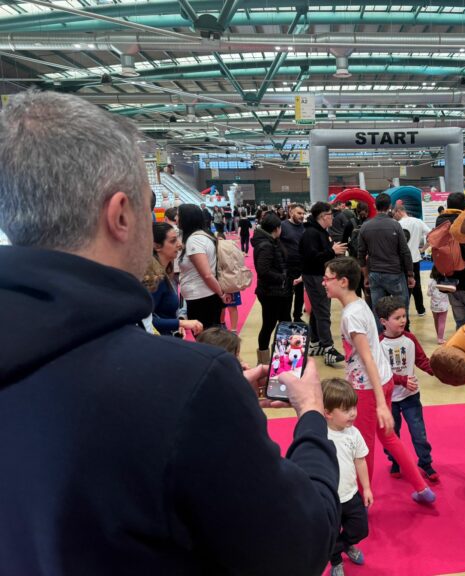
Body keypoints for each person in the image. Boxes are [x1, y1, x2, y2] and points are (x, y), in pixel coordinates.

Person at [0, 90, 339, 574]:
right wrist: (309, 415)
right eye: (148, 207)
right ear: (120, 214)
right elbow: (299, 546)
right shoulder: (186, 382)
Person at [323, 257, 436, 504]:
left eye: (327, 278)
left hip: (366, 388)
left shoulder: (351, 315)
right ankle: (421, 488)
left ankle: (361, 502)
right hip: (381, 382)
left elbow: (367, 358)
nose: (324, 283)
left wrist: (381, 403)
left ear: (343, 282)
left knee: (364, 445)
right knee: (388, 438)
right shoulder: (359, 305)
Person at [375, 296, 439, 483]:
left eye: (404, 316)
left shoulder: (410, 339)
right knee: (392, 434)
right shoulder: (378, 345)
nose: (403, 320)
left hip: (411, 396)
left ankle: (425, 463)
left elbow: (421, 360)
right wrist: (402, 380)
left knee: (419, 432)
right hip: (388, 399)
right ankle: (395, 460)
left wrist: (436, 371)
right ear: (384, 322)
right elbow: (380, 373)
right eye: (397, 317)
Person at [322, 378, 372, 576]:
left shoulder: (354, 434)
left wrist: (366, 488)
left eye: (354, 407)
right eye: (346, 409)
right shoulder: (321, 435)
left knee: (361, 529)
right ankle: (336, 561)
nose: (353, 413)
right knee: (331, 532)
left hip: (351, 495)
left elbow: (360, 461)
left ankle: (343, 546)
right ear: (328, 413)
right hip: (330, 499)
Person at [357, 193, 414, 331]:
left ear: (375, 206)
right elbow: (405, 252)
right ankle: (401, 334)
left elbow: (361, 254)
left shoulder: (365, 227)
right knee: (401, 306)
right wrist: (410, 274)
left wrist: (365, 276)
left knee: (378, 310)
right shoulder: (395, 226)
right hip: (395, 273)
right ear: (390, 207)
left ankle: (381, 339)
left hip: (375, 274)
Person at [299, 201, 346, 365]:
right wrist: (332, 251)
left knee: (318, 309)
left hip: (317, 275)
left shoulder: (319, 232)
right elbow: (312, 257)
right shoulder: (311, 233)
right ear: (323, 216)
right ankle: (328, 348)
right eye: (330, 215)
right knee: (323, 311)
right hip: (315, 275)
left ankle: (316, 342)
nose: (332, 217)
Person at [178, 203, 229, 331]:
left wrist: (221, 294)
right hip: (203, 296)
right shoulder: (203, 236)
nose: (177, 219)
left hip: (202, 297)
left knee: (206, 338)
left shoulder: (194, 240)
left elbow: (206, 274)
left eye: (179, 215)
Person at [435, 192, 465, 328]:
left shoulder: (440, 221)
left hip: (450, 281)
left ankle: (461, 347)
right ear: (464, 205)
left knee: (461, 322)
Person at [252, 212, 292, 366]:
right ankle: (264, 361)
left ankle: (282, 356)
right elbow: (263, 271)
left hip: (279, 291)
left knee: (284, 322)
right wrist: (283, 277)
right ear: (276, 228)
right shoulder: (266, 245)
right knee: (269, 324)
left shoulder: (272, 241)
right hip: (271, 292)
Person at [150, 222, 202, 337]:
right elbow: (146, 320)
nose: (179, 245)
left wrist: (175, 325)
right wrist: (180, 322)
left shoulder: (162, 273)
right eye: (173, 241)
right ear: (157, 246)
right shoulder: (154, 279)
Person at [394, 204, 431, 317]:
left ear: (399, 211)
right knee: (417, 285)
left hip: (401, 260)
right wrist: (423, 249)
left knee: (403, 286)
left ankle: (404, 311)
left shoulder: (397, 224)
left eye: (394, 213)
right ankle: (420, 309)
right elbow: (431, 235)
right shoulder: (418, 221)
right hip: (415, 258)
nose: (393, 215)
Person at [281, 203, 307, 322]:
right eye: (299, 213)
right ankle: (286, 318)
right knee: (287, 295)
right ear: (291, 213)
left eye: (303, 213)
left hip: (302, 266)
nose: (301, 216)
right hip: (287, 267)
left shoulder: (305, 227)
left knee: (300, 294)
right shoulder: (283, 226)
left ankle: (297, 316)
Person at [428, 267, 450, 344]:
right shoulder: (445, 281)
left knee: (436, 320)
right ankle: (440, 338)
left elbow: (429, 293)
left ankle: (438, 335)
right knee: (442, 322)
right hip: (443, 306)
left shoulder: (431, 282)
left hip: (434, 306)